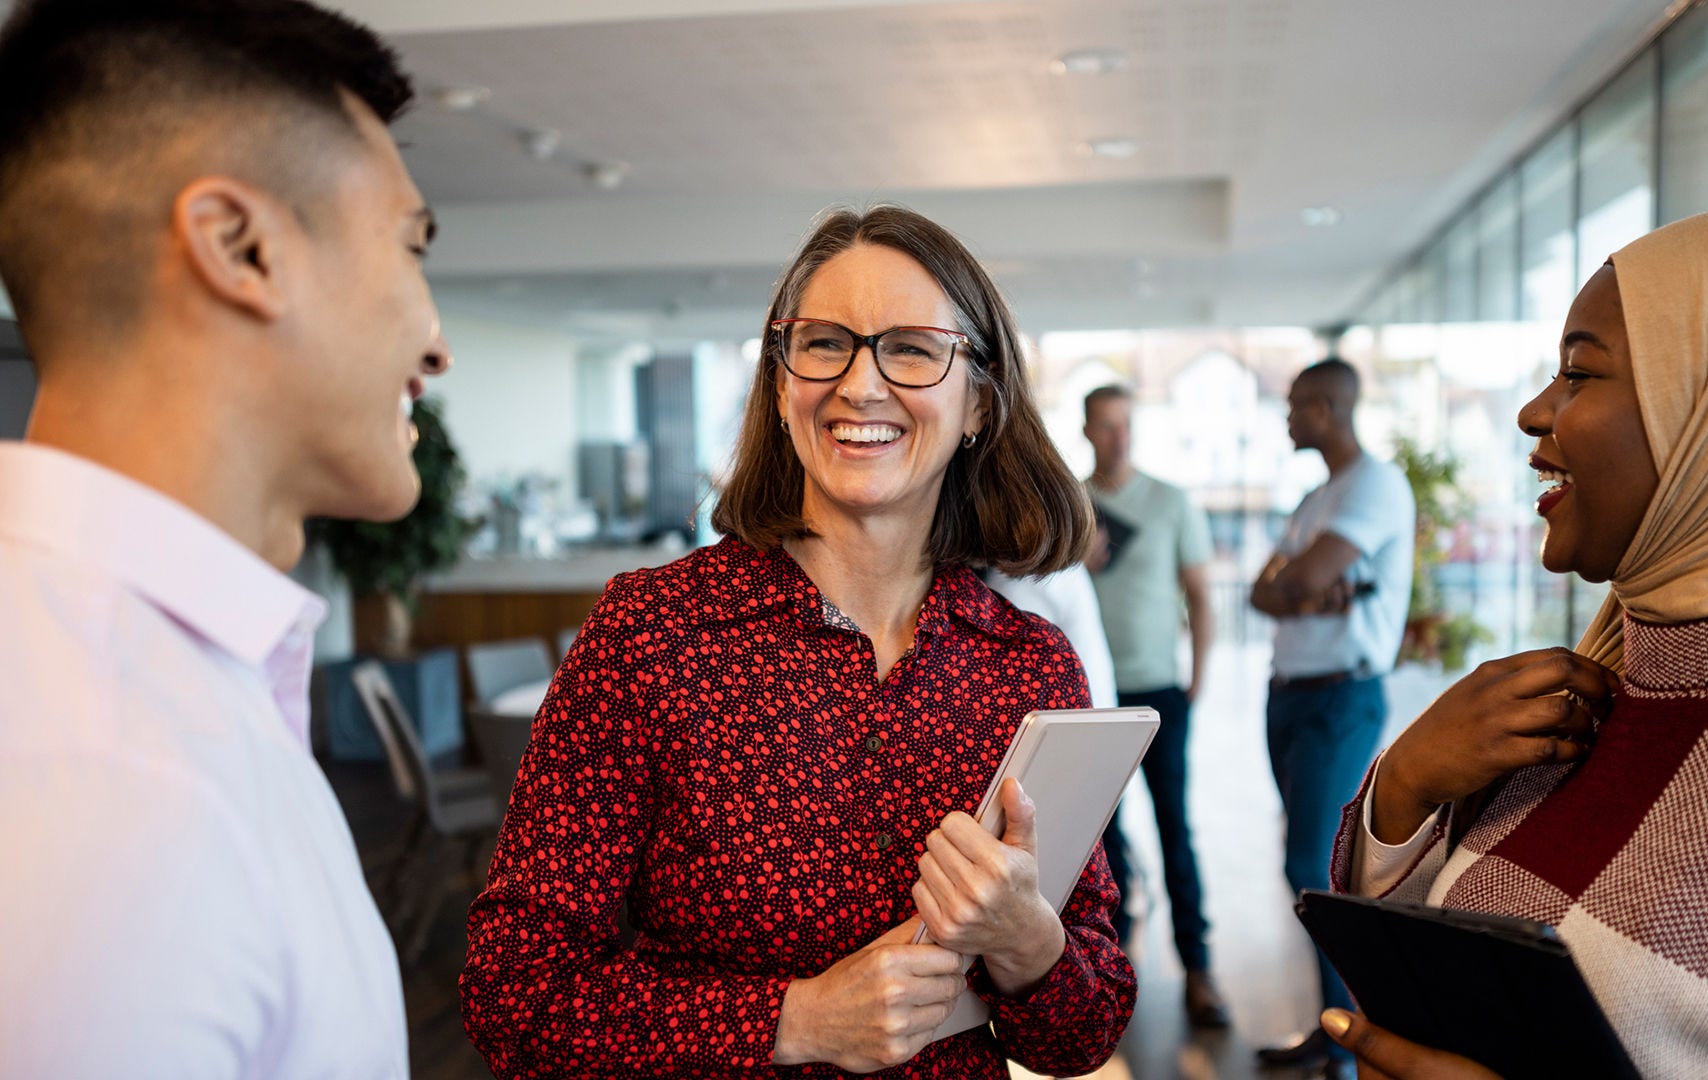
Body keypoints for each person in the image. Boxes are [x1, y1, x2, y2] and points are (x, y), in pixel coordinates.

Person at [461, 206, 1135, 1078]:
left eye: (913, 348)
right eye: (824, 343)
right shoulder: (652, 634)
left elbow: (1084, 1037)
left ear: (978, 400)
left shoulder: (1029, 665)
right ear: (782, 387)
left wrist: (1028, 940)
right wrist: (796, 1020)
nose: (860, 384)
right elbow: (514, 993)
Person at [1317, 201, 1708, 1078]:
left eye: (1579, 375)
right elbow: (1433, 965)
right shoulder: (1604, 677)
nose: (1532, 413)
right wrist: (1405, 788)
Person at [0, 0, 449, 1075]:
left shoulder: (158, 692)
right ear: (241, 247)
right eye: (408, 243)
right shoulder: (106, 782)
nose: (435, 345)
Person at [1249, 358, 1413, 1074]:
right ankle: (1334, 1026)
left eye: (1293, 406)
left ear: (1326, 407)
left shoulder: (1375, 485)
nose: (1287, 418)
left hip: (1338, 698)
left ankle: (1356, 1043)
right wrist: (1300, 588)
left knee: (1313, 864)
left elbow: (1302, 579)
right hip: (1291, 692)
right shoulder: (1318, 497)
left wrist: (1302, 586)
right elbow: (1262, 594)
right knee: (1312, 866)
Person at [1082, 383, 1230, 1027]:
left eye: (1126, 426)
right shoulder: (1069, 505)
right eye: (1107, 426)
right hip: (1088, 699)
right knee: (1100, 838)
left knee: (1175, 827)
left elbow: (1199, 593)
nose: (1119, 437)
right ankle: (1112, 967)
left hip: (1158, 690)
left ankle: (1199, 970)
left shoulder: (1170, 503)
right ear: (1087, 431)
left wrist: (1197, 677)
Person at [979, 563, 1118, 710]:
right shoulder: (1064, 571)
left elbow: (1008, 678)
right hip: (1092, 711)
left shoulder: (1028, 582)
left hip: (1076, 720)